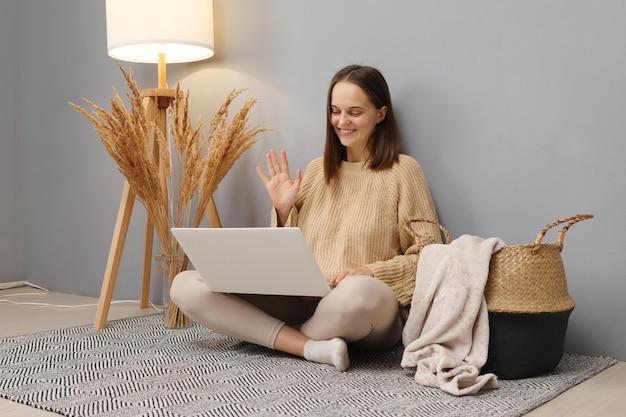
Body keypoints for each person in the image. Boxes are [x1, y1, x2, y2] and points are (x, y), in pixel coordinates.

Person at [170, 64, 442, 371]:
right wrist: (283, 212)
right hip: (303, 302)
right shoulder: (316, 171)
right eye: (335, 111)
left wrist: (370, 271)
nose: (342, 121)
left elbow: (428, 256)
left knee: (358, 293)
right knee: (184, 284)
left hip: (365, 311)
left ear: (380, 114)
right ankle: (310, 347)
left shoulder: (403, 171)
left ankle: (277, 339)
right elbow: (283, 256)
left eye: (354, 112)